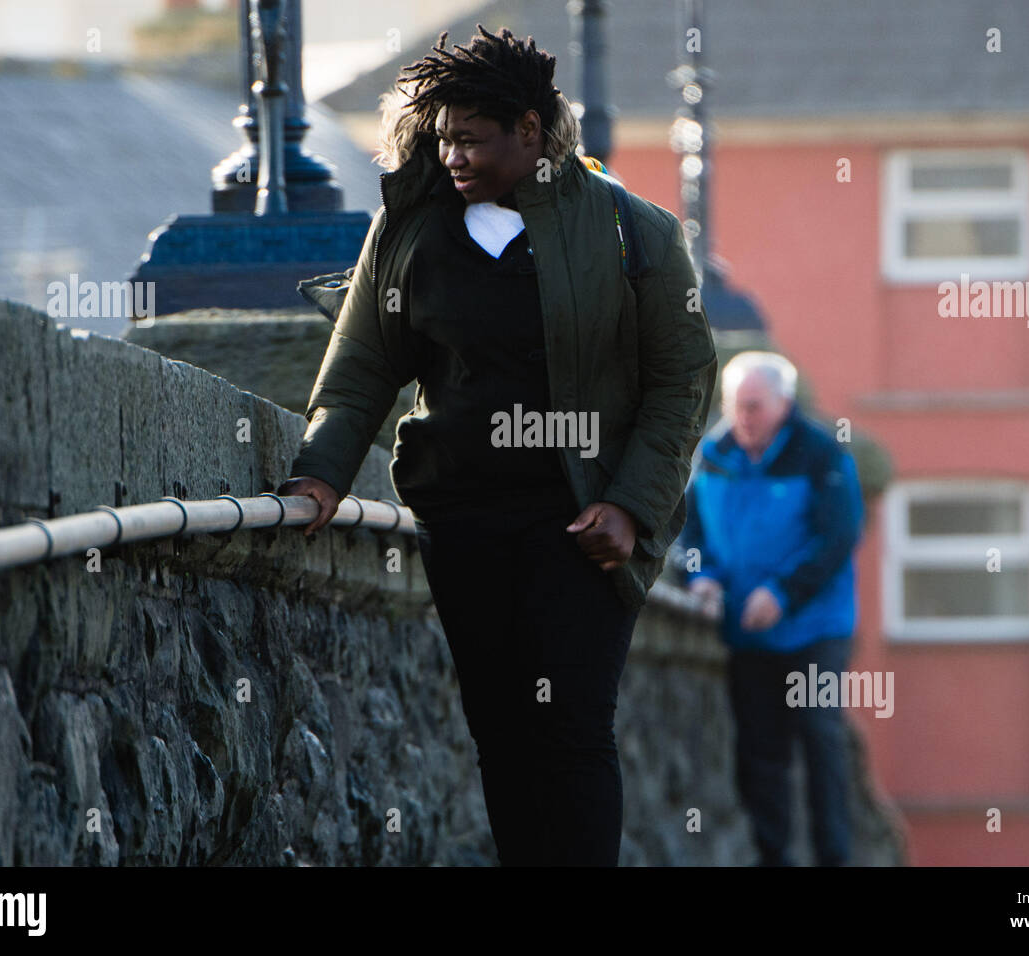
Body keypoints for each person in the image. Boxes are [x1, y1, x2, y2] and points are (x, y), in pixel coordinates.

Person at [277, 25, 717, 866]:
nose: (451, 155)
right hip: (462, 518)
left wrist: (630, 506)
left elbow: (682, 382)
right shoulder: (409, 232)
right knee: (503, 732)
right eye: (441, 136)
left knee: (573, 730)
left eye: (471, 139)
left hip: (579, 525)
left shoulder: (636, 233)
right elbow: (363, 366)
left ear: (529, 128)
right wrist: (319, 477)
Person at [681, 351, 864, 866]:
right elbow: (689, 533)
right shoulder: (713, 455)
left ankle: (834, 856)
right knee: (760, 753)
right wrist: (702, 579)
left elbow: (838, 536)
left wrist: (784, 593)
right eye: (735, 406)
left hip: (815, 628)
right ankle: (773, 857)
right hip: (747, 632)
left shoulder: (822, 455)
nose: (744, 418)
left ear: (784, 404)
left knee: (820, 737)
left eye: (755, 407)